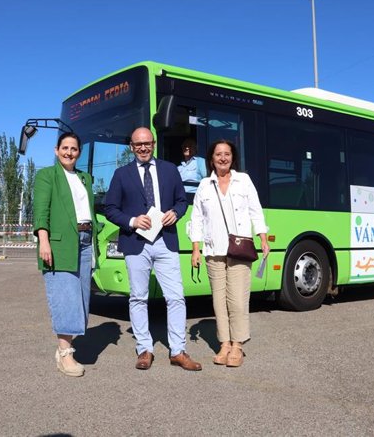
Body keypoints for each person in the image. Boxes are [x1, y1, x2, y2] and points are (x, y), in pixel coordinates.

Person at [104, 127, 202, 371]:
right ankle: (144, 349)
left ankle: (178, 351)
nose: (143, 148)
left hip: (165, 241)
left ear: (154, 143)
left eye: (147, 143)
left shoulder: (170, 170)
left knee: (176, 297)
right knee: (138, 297)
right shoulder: (121, 174)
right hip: (136, 243)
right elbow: (110, 208)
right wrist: (132, 221)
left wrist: (175, 213)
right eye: (138, 144)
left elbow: (182, 201)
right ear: (131, 147)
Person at [189, 139, 269, 367]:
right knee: (219, 300)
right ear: (211, 159)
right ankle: (224, 343)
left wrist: (262, 237)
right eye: (218, 154)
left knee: (237, 299)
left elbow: (256, 211)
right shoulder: (205, 185)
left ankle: (238, 345)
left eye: (227, 154)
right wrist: (196, 249)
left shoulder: (243, 181)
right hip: (213, 250)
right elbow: (196, 218)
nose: (223, 158)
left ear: (232, 157)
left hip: (239, 249)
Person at [33, 132, 98, 377]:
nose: (69, 152)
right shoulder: (47, 175)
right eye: (65, 148)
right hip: (60, 243)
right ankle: (64, 354)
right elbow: (41, 211)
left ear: (79, 152)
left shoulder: (85, 178)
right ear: (56, 149)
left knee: (80, 298)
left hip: (85, 240)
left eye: (74, 149)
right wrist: (44, 241)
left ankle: (67, 346)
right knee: (65, 296)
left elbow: (87, 210)